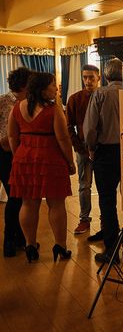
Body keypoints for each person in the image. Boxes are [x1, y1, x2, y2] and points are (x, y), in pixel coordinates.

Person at [8, 72, 75, 262]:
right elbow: (63, 138)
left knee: (28, 203)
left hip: (24, 157)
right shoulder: (54, 110)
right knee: (56, 203)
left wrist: (18, 155)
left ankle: (30, 245)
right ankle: (60, 246)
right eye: (53, 85)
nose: (56, 88)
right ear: (44, 89)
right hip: (50, 157)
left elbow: (12, 136)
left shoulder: (18, 107)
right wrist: (70, 161)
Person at [83, 59, 123, 262]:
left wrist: (91, 148)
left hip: (105, 153)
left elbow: (90, 128)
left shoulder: (100, 94)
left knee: (107, 201)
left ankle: (112, 249)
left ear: (106, 76)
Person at [66, 64, 100, 235]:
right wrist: (78, 147)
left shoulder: (104, 97)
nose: (88, 81)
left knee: (104, 187)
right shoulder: (75, 99)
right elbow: (68, 126)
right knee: (84, 186)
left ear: (98, 78)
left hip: (102, 150)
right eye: (85, 77)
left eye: (91, 77)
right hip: (83, 149)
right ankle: (84, 219)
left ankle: (106, 220)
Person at [0, 67, 30, 257]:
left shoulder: (25, 103)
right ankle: (8, 240)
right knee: (14, 197)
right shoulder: (7, 102)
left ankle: (19, 238)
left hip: (17, 154)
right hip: (4, 154)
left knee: (19, 197)